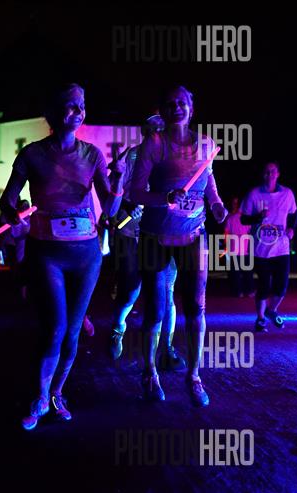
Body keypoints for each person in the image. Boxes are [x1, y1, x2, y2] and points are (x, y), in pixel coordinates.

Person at [0, 83, 124, 430]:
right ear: (53, 113)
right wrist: (11, 212)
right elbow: (7, 199)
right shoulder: (32, 154)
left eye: (82, 105)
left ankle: (57, 393)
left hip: (87, 254)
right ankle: (40, 397)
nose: (78, 111)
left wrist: (118, 182)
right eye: (71, 105)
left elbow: (111, 210)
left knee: (71, 332)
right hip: (47, 252)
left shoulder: (93, 155)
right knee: (55, 327)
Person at [131, 86, 227, 407]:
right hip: (155, 236)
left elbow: (208, 182)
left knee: (196, 307)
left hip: (194, 234)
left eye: (182, 103)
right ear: (162, 110)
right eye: (170, 104)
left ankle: (195, 376)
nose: (176, 108)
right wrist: (164, 198)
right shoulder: (153, 145)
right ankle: (150, 373)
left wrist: (216, 204)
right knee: (155, 309)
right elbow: (135, 192)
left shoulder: (206, 144)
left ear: (191, 109)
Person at [109, 115, 186, 371]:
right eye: (154, 129)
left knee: (168, 293)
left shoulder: (175, 158)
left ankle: (168, 349)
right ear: (145, 132)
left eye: (163, 129)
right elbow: (116, 191)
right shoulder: (131, 157)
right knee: (131, 289)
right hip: (132, 232)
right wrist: (128, 205)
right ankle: (118, 326)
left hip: (163, 234)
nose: (159, 133)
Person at [241, 162, 297, 332]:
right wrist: (258, 217)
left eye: (273, 171)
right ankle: (260, 319)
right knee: (264, 286)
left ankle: (271, 310)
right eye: (266, 171)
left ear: (278, 174)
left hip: (281, 247)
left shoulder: (287, 194)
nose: (269, 174)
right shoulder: (254, 194)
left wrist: (291, 228)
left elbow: (294, 213)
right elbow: (243, 219)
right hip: (261, 249)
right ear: (263, 174)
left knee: (281, 286)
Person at [223, 196, 254, 297]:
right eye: (234, 203)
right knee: (243, 272)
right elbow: (251, 232)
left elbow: (226, 233)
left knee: (239, 273)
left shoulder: (231, 218)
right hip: (240, 249)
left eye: (236, 203)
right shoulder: (238, 218)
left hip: (239, 249)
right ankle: (246, 291)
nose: (234, 205)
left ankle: (241, 291)